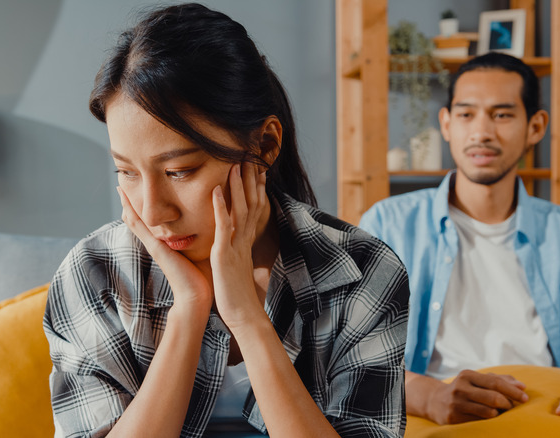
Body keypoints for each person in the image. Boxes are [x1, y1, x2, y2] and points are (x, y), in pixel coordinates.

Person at [43, 4, 409, 437]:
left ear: (266, 145)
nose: (153, 210)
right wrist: (189, 310)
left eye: (180, 171)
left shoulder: (363, 271)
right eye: (127, 172)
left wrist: (247, 318)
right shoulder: (95, 273)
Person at [360, 52, 560, 438]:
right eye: (466, 114)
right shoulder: (388, 224)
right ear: (446, 124)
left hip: (553, 414)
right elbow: (353, 360)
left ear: (536, 126)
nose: (482, 132)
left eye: (502, 115)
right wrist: (430, 397)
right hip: (434, 416)